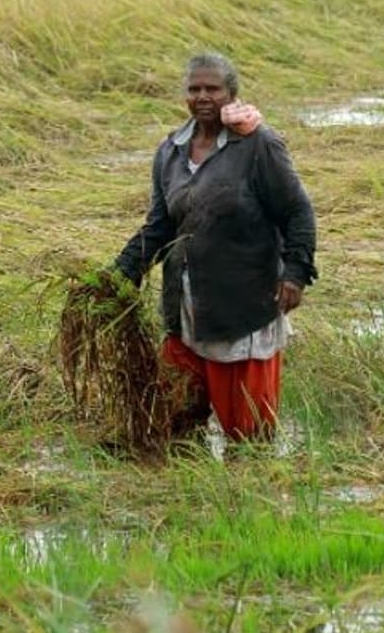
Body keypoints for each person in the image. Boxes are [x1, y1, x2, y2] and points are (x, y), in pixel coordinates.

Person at [114, 52, 317, 444]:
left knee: (249, 438)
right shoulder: (171, 151)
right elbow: (160, 226)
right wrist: (122, 271)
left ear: (231, 94)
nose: (203, 96)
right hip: (185, 309)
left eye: (213, 88)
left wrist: (295, 273)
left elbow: (298, 211)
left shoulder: (258, 145)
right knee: (175, 431)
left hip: (242, 310)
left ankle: (252, 484)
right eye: (195, 89)